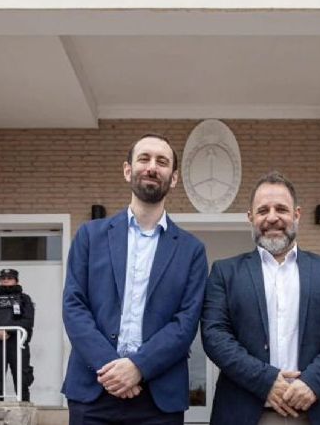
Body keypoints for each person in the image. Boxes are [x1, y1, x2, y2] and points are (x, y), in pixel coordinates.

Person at [62, 133, 208, 425]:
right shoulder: (90, 236)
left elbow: (186, 322)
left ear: (174, 178)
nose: (152, 167)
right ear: (128, 170)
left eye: (162, 162)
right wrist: (113, 369)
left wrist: (138, 367)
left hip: (158, 399)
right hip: (93, 391)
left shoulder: (192, 250)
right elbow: (74, 307)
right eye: (144, 158)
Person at [202, 171, 320, 425]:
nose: (272, 217)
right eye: (263, 210)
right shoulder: (225, 272)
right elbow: (214, 335)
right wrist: (265, 381)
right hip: (245, 413)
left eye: (281, 209)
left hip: (317, 411)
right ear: (250, 217)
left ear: (296, 214)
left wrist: (312, 382)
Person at [0, 268, 35, 402]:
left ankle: (24, 405)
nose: (5, 280)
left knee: (22, 375)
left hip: (17, 343)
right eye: (3, 278)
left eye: (9, 278)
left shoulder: (24, 299)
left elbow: (28, 321)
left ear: (16, 280)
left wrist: (9, 331)